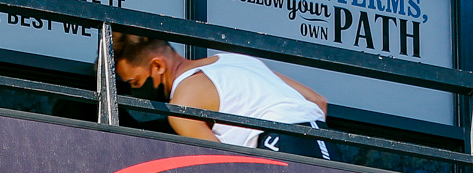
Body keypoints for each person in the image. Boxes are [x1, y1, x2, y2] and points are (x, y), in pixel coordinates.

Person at [112, 31, 332, 159]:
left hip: (276, 146)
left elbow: (222, 168)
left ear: (158, 65)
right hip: (321, 139)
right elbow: (317, 101)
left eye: (135, 82)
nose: (134, 90)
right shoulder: (236, 60)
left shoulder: (182, 104)